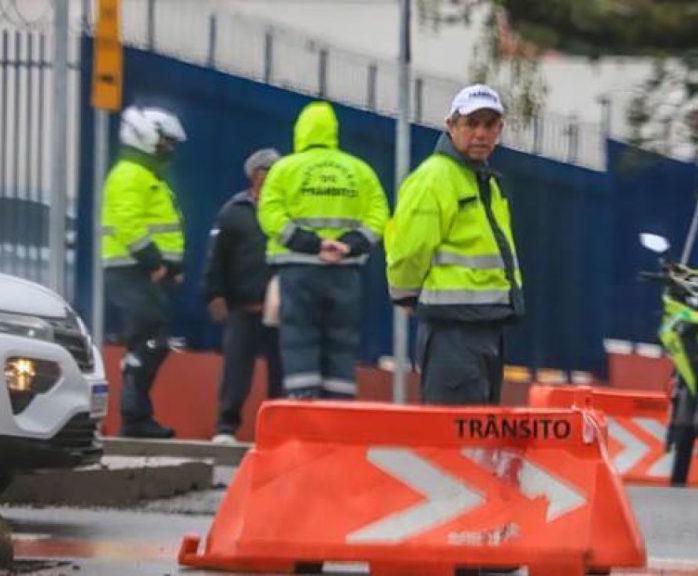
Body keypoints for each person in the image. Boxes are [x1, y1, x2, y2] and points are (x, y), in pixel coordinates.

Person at [386, 84, 524, 405]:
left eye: (489, 125)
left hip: (486, 329)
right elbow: (409, 248)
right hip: (453, 333)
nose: (480, 133)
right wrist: (405, 295)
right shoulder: (435, 178)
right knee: (454, 440)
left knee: (477, 441)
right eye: (471, 123)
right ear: (451, 125)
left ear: (499, 130)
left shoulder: (483, 181)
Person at [258, 101, 389, 399]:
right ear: (334, 132)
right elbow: (379, 215)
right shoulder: (360, 171)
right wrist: (350, 244)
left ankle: (303, 410)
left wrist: (313, 244)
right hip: (346, 273)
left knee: (299, 340)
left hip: (298, 270)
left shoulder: (284, 169)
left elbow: (270, 215)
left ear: (300, 131)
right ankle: (338, 411)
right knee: (341, 343)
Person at [102, 106, 187, 438]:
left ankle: (136, 415)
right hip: (132, 272)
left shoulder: (145, 176)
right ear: (147, 137)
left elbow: (162, 228)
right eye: (165, 141)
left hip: (143, 273)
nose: (170, 149)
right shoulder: (129, 174)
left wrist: (171, 268)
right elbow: (129, 224)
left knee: (151, 340)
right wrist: (155, 263)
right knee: (152, 340)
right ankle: (134, 416)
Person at [203, 148, 284, 443]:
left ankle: (277, 430)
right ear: (254, 175)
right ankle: (226, 427)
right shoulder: (233, 211)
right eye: (265, 170)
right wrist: (215, 294)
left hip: (279, 310)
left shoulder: (289, 210)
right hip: (243, 307)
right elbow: (217, 258)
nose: (270, 175)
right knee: (236, 371)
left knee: (282, 372)